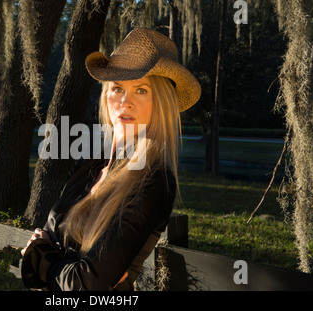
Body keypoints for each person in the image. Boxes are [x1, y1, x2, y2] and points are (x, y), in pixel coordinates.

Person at [20, 28, 201, 291]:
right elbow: (50, 235)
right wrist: (53, 260)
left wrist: (40, 257)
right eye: (117, 88)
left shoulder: (154, 181)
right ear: (106, 96)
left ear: (160, 103)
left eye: (141, 90)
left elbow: (88, 284)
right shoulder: (91, 162)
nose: (125, 102)